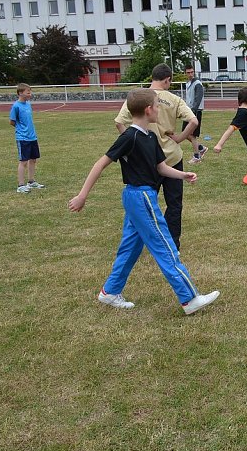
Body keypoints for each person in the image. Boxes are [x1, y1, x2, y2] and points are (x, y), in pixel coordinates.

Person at [69, 88, 219, 314]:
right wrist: (82, 196)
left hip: (141, 197)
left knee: (130, 246)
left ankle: (110, 292)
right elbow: (100, 164)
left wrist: (183, 175)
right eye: (157, 107)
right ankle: (190, 298)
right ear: (149, 110)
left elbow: (160, 167)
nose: (159, 110)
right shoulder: (129, 136)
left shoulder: (151, 137)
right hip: (139, 197)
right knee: (164, 245)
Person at [115, 63, 198, 250]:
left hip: (147, 161)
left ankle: (143, 242)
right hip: (172, 159)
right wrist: (178, 139)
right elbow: (193, 121)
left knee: (144, 204)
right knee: (174, 204)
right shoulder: (174, 99)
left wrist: (133, 144)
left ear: (152, 78)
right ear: (167, 80)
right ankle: (172, 244)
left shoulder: (140, 97)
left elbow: (119, 122)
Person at [10, 83, 45, 193]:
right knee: (23, 161)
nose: (30, 94)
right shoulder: (16, 106)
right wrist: (21, 130)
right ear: (20, 93)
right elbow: (12, 121)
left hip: (32, 137)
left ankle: (31, 181)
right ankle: (20, 185)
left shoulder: (28, 104)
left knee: (33, 159)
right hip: (23, 138)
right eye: (28, 92)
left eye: (30, 91)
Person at [183, 66, 208, 164]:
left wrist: (193, 112)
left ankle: (197, 157)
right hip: (189, 112)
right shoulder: (188, 83)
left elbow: (197, 100)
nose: (190, 74)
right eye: (188, 72)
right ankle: (201, 148)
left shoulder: (197, 84)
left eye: (192, 72)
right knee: (185, 133)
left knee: (191, 135)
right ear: (185, 73)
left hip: (195, 112)